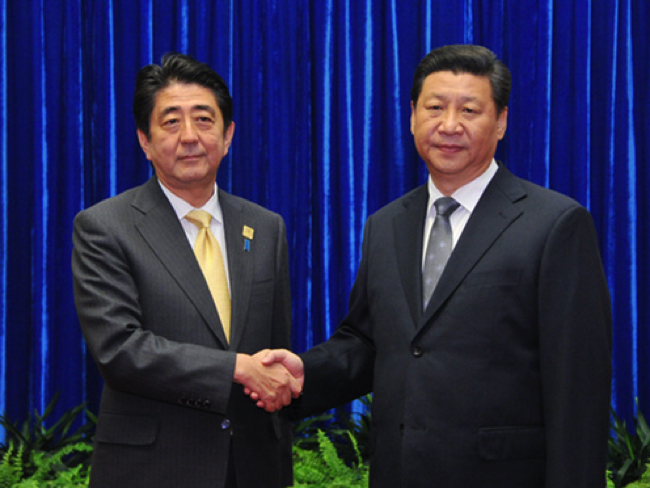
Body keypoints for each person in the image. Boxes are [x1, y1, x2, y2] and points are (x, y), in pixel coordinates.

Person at [256, 45, 612, 487]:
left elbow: (578, 388)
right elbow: (369, 342)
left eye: (469, 110)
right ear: (412, 116)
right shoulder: (385, 225)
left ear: (501, 121)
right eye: (435, 107)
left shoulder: (555, 224)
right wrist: (304, 374)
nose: (449, 125)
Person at [72, 53, 299, 488]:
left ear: (228, 135)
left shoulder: (265, 227)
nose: (190, 136)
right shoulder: (105, 226)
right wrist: (235, 368)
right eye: (172, 122)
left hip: (253, 466)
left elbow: (274, 351)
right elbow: (119, 350)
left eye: (204, 119)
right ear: (145, 140)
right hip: (154, 469)